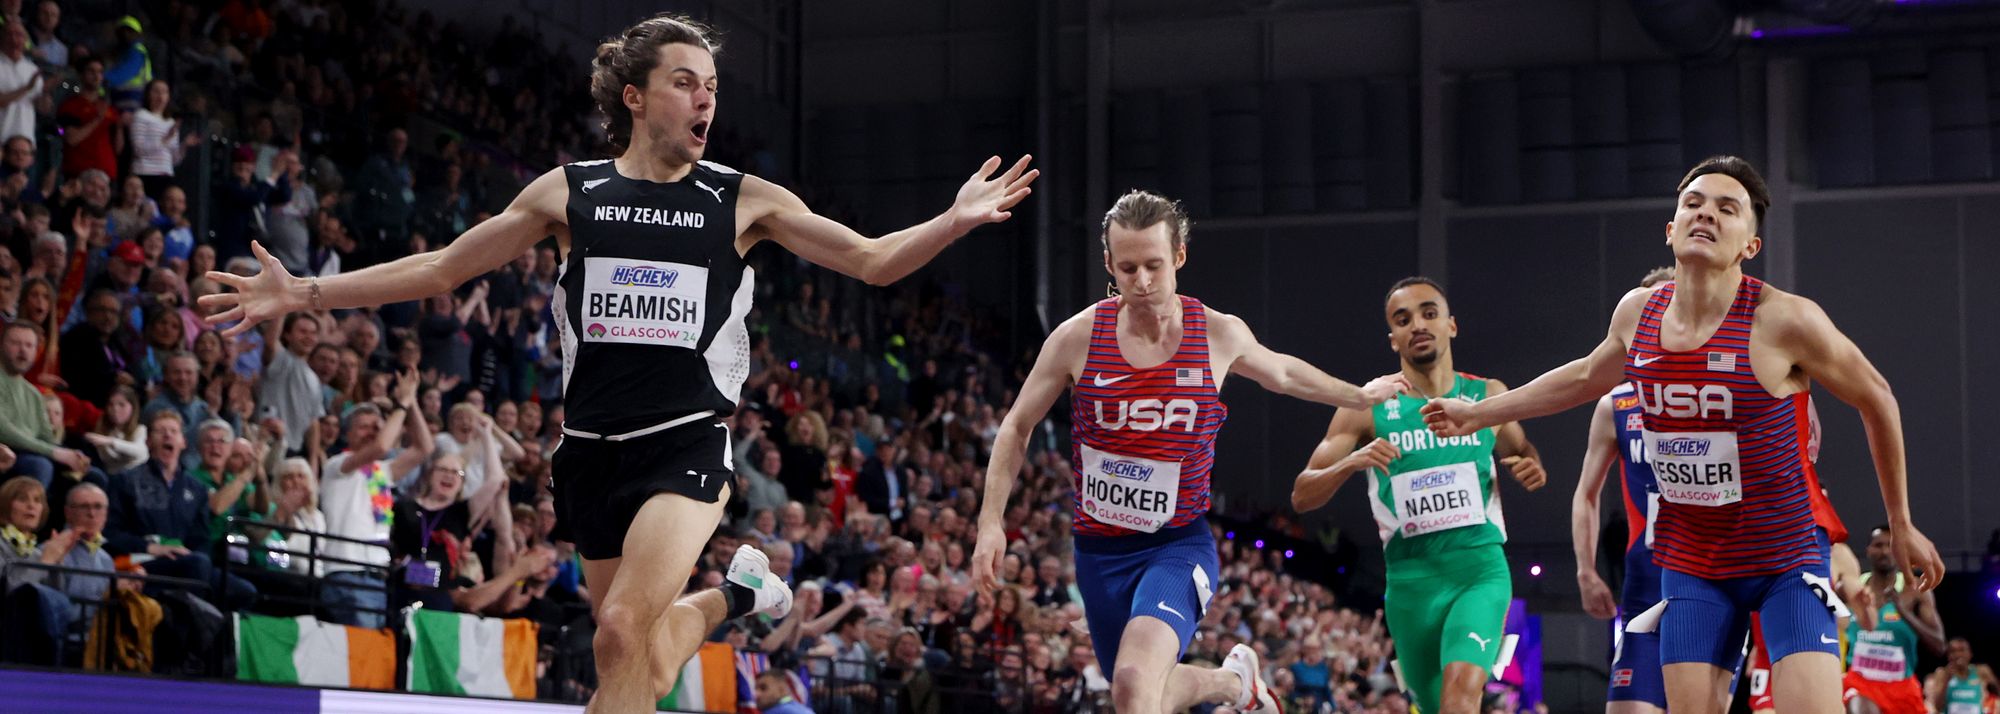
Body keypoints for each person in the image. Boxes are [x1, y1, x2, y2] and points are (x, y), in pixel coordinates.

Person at [200, 14, 1037, 712]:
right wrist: (302, 292)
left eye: (711, 83)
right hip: (589, 452)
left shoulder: (742, 199)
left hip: (685, 443)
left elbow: (873, 260)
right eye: (685, 80)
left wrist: (952, 220)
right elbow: (442, 269)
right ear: (634, 96)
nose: (705, 95)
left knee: (617, 632)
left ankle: (734, 591)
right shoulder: (570, 192)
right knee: (636, 656)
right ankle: (741, 595)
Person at [1419, 155, 1947, 714]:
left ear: (1751, 245)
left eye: (1727, 209)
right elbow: (1582, 376)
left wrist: (1902, 522)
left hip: (1784, 557)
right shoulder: (1637, 313)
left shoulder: (1784, 321)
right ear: (1670, 230)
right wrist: (1480, 414)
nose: (1706, 215)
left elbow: (1877, 398)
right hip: (1694, 561)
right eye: (1693, 203)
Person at [972, 190, 1400, 714]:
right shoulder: (1077, 338)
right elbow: (1017, 426)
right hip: (1098, 552)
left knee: (1132, 682)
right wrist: (991, 520)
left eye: (1154, 265)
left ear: (1179, 256)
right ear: (1109, 263)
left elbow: (1283, 373)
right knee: (1135, 691)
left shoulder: (1217, 334)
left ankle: (1230, 686)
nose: (1143, 281)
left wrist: (1357, 396)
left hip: (1176, 544)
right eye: (1127, 268)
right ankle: (1232, 685)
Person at [1290, 276, 1548, 714]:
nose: (1418, 325)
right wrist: (1350, 463)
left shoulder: (1487, 396)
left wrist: (1532, 465)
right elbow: (1302, 495)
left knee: (1461, 691)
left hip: (1479, 572)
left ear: (1451, 325)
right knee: (1436, 707)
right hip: (1410, 586)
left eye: (1429, 313)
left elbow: (1521, 447)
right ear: (1393, 340)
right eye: (1403, 319)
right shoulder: (1366, 407)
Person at [1570, 267, 1675, 714]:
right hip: (1644, 586)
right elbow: (1586, 494)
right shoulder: (1616, 404)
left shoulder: (1724, 391)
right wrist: (1585, 569)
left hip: (1714, 583)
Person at [1843, 525, 1946, 714]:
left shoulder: (1915, 591)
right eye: (1878, 545)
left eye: (1890, 545)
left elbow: (1939, 646)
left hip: (1902, 687)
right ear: (1868, 550)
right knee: (1858, 708)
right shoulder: (1854, 589)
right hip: (1860, 683)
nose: (1884, 551)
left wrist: (1902, 611)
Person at [2, 321, 92, 486]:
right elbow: (5, 432)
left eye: (29, 345)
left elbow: (46, 437)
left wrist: (70, 454)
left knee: (93, 475)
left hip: (33, 451)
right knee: (39, 466)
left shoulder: (34, 394)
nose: (23, 350)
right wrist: (55, 452)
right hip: (8, 452)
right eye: (15, 343)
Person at [1926, 638, 1999, 714]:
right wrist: (1946, 680)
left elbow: (1997, 690)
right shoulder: (1942, 673)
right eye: (1953, 651)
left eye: (1962, 650)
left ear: (1970, 653)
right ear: (1948, 655)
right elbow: (1937, 707)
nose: (1958, 654)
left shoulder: (1981, 671)